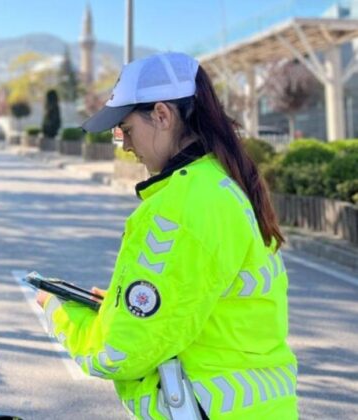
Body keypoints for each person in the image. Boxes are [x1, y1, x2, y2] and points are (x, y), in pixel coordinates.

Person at [36, 52, 298, 419]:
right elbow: (202, 303)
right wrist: (119, 306)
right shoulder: (222, 185)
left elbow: (118, 352)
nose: (125, 146)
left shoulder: (181, 207)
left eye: (125, 130)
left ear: (162, 115)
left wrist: (57, 313)